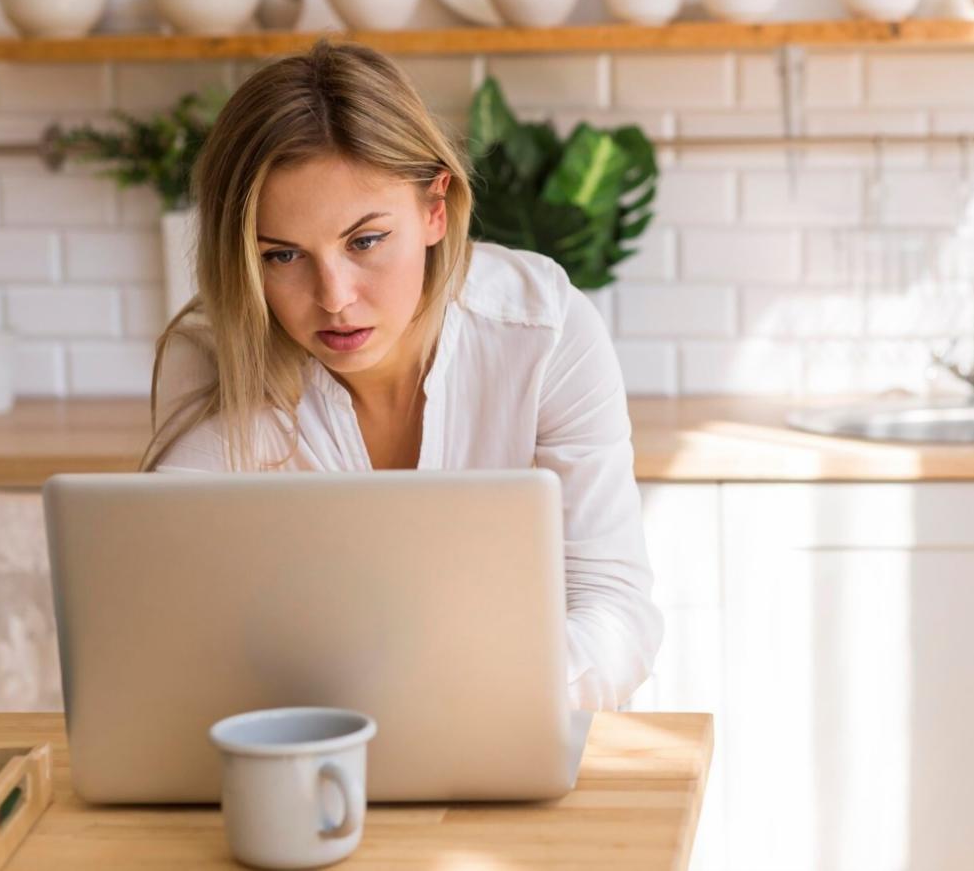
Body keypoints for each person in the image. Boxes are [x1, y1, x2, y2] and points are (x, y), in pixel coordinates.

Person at [141, 40, 662, 711]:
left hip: (513, 728)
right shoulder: (215, 359)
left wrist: (473, 693)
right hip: (304, 751)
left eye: (365, 241)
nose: (333, 296)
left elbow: (614, 608)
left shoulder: (543, 333)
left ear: (434, 209)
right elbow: (170, 618)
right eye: (282, 255)